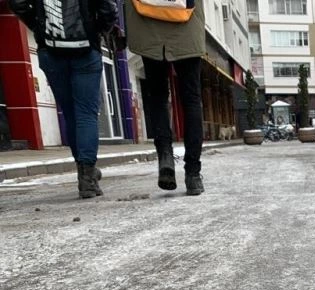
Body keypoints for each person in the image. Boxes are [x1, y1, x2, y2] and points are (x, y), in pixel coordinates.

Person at [9, 0, 119, 199]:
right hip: (86, 49)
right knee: (86, 114)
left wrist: (38, 26)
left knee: (70, 114)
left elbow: (18, 3)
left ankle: (84, 171)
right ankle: (87, 176)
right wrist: (98, 30)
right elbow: (108, 9)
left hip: (51, 51)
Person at [124, 0, 206, 196]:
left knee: (158, 95)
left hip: (148, 22)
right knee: (191, 99)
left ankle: (165, 157)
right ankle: (193, 174)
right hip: (186, 24)